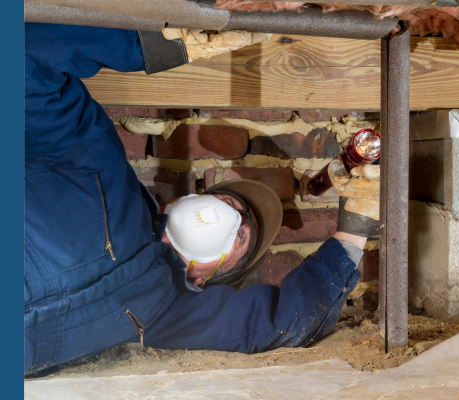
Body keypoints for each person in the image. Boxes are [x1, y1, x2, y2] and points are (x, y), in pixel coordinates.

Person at [24, 23, 381, 376]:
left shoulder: (172, 313)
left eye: (241, 234)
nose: (233, 214)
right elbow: (23, 58)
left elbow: (285, 321)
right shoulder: (102, 168)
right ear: (178, 204)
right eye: (232, 203)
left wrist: (356, 225)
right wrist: (166, 43)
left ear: (205, 280)